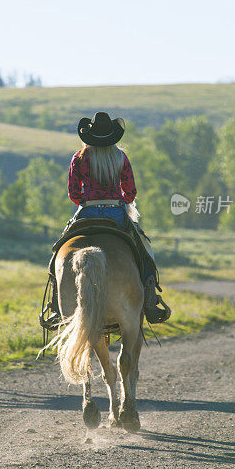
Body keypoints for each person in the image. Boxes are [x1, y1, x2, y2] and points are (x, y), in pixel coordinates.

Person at [67, 111, 170, 324]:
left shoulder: (79, 158)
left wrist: (87, 201)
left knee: (60, 250)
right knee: (144, 250)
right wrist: (119, 199)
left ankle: (56, 305)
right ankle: (149, 301)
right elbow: (130, 191)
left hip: (87, 211)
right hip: (116, 212)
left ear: (89, 135)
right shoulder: (120, 157)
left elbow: (73, 193)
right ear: (113, 135)